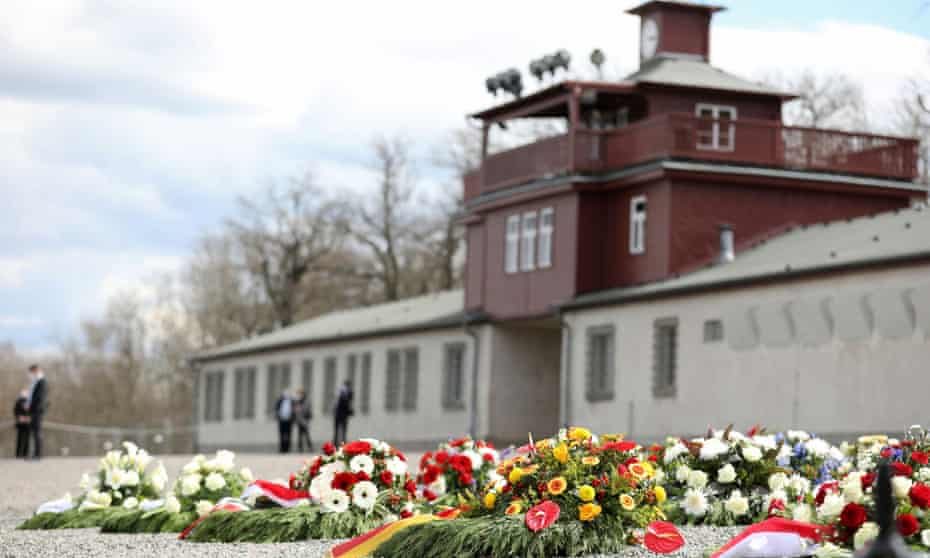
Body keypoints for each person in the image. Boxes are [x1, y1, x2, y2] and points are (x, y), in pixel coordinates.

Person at [25, 364, 48, 460]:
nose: (31, 374)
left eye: (32, 372)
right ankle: (35, 453)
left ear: (36, 370)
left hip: (37, 410)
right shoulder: (35, 381)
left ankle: (38, 454)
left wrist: (32, 406)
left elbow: (40, 398)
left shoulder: (42, 381)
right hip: (33, 410)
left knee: (37, 431)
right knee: (34, 432)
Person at [333, 380, 354, 447]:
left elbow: (349, 402)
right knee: (338, 430)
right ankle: (337, 444)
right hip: (339, 414)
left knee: (342, 430)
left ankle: (341, 444)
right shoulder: (341, 393)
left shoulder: (349, 393)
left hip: (342, 414)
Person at [293, 388, 313, 453]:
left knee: (307, 435)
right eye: (298, 394)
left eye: (300, 394)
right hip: (299, 420)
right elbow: (296, 411)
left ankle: (310, 447)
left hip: (305, 420)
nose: (299, 395)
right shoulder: (297, 402)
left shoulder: (306, 401)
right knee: (300, 435)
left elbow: (307, 411)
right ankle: (300, 448)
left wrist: (305, 419)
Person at [274, 389, 294, 453]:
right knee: (282, 434)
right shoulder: (280, 401)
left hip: (289, 420)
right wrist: (278, 415)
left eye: (287, 394)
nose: (286, 395)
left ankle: (287, 449)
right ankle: (282, 448)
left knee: (288, 434)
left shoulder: (292, 401)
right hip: (281, 420)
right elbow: (276, 408)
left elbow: (294, 410)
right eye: (285, 394)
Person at [13, 389, 30, 458]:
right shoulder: (18, 402)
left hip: (27, 423)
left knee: (26, 439)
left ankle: (25, 454)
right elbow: (15, 411)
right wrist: (19, 417)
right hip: (21, 423)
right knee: (20, 439)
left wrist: (28, 417)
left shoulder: (29, 402)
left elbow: (31, 411)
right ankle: (18, 455)